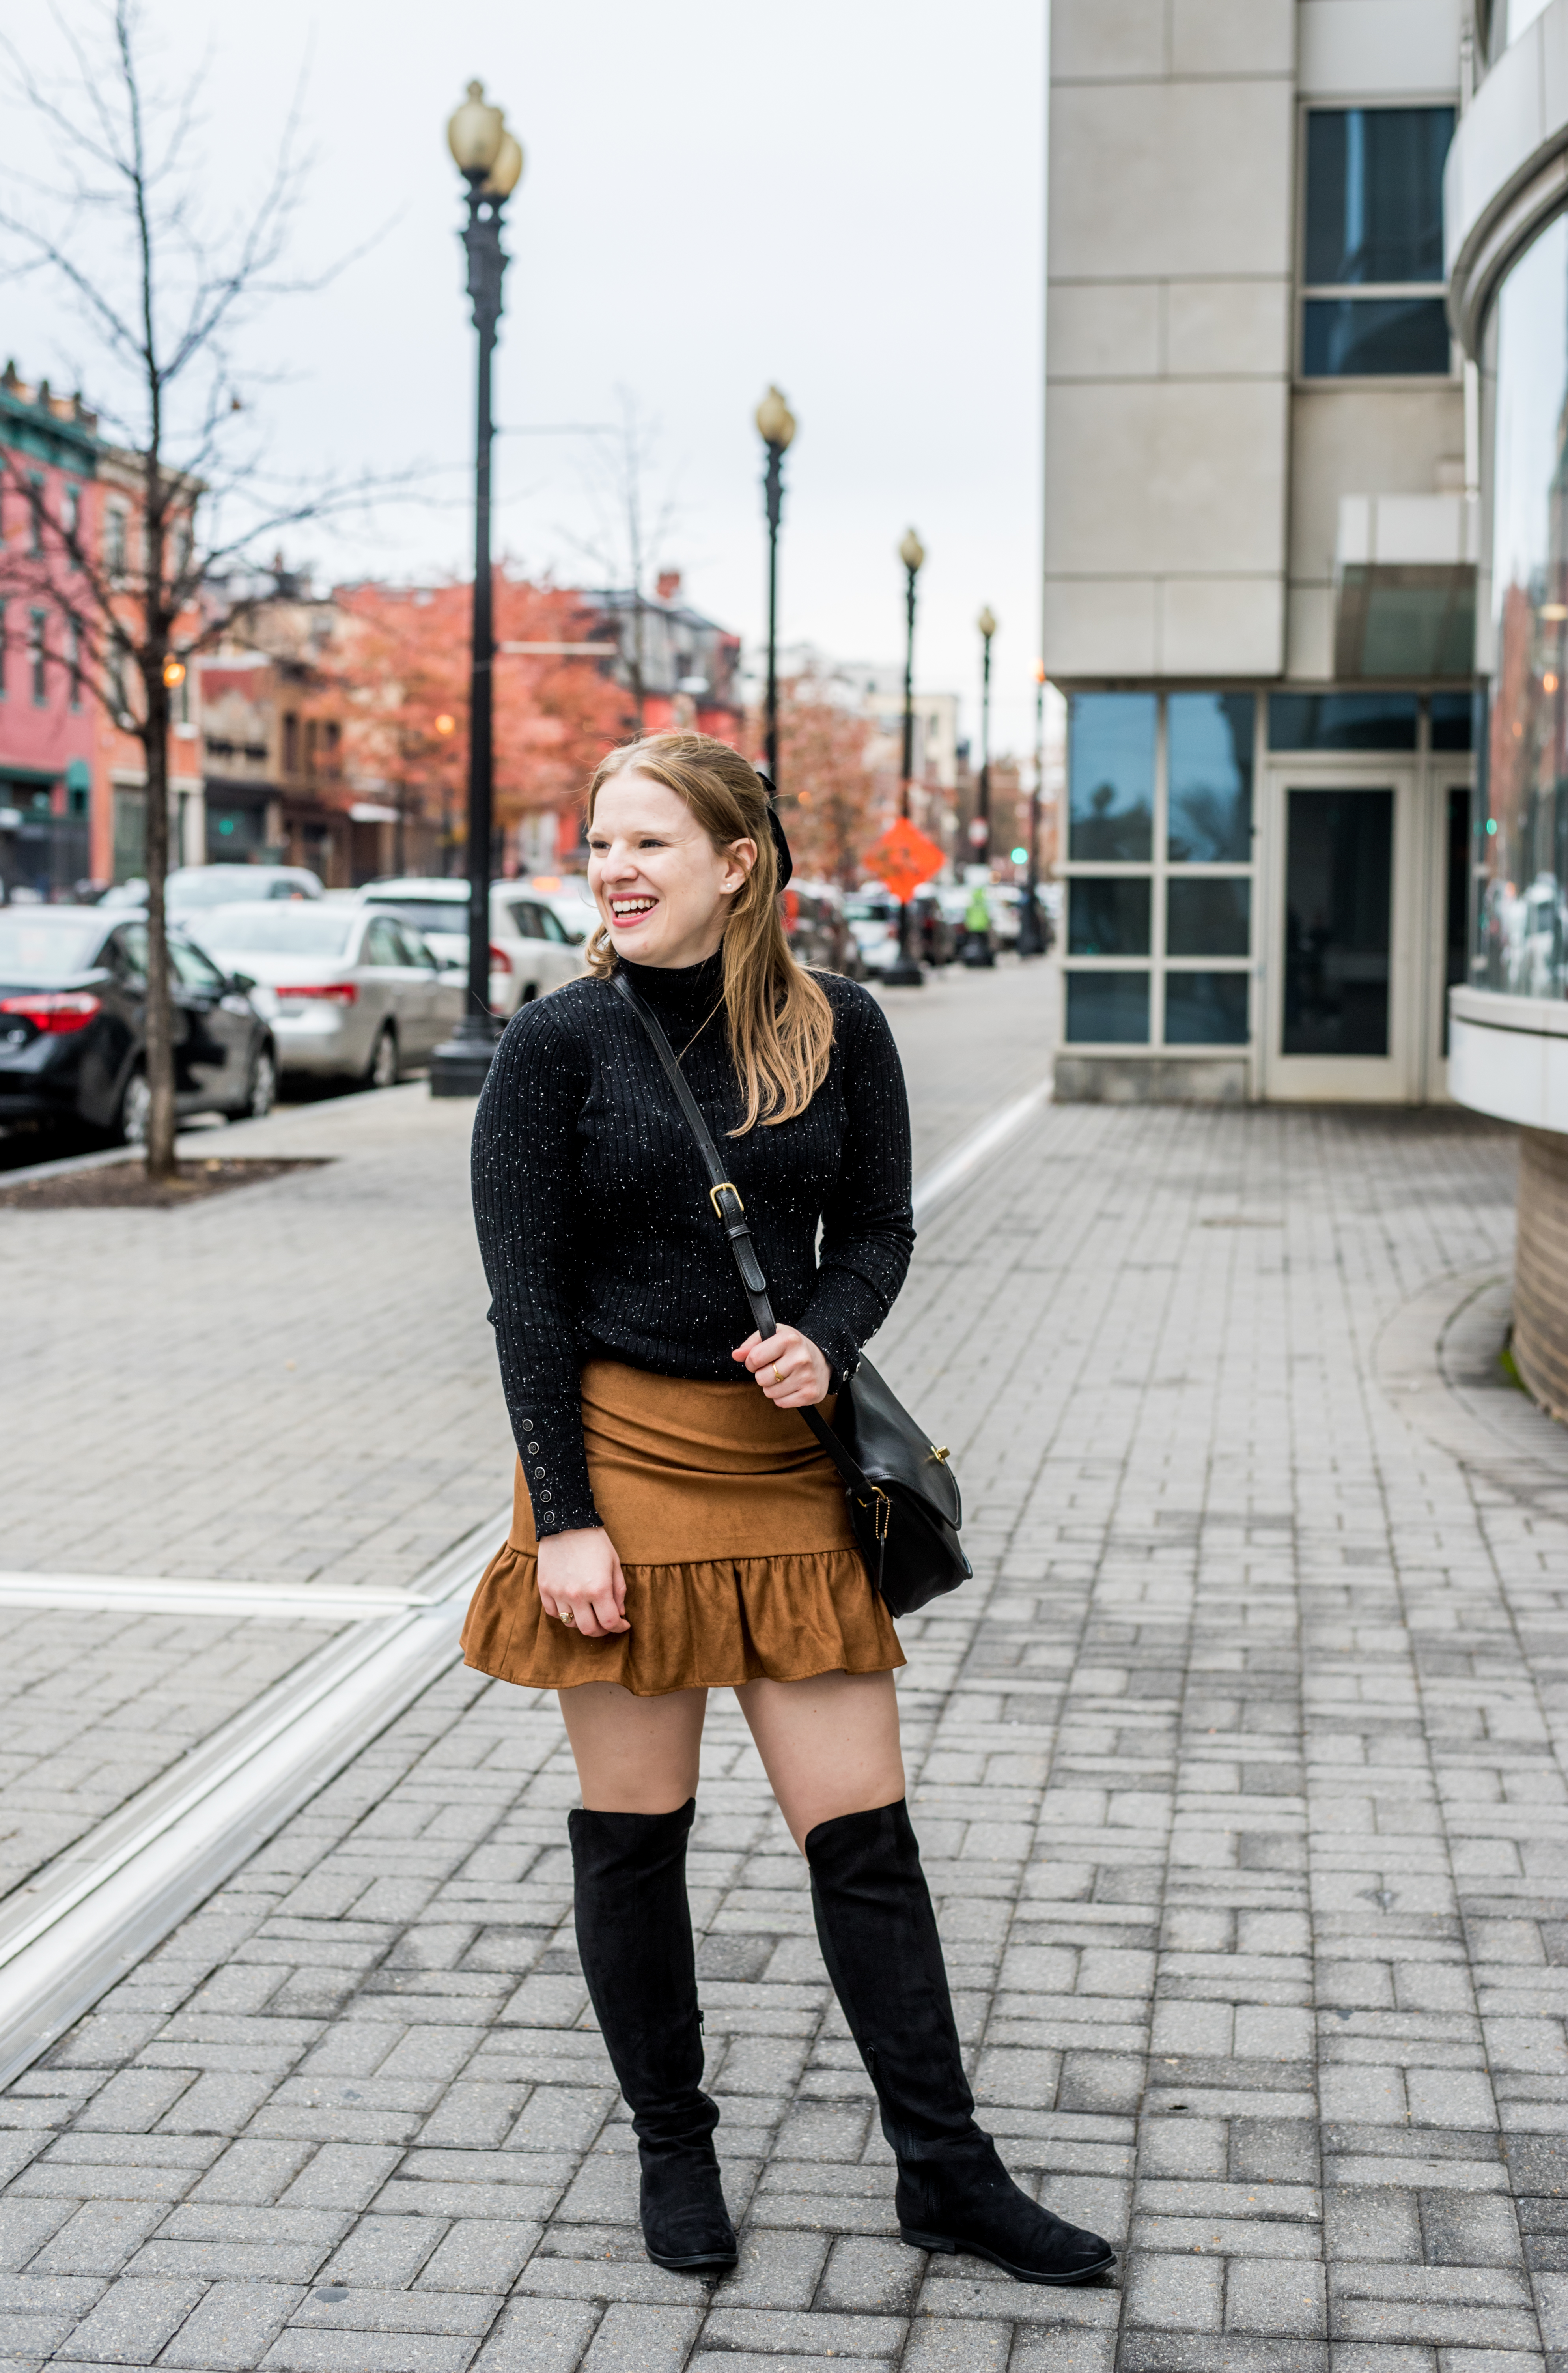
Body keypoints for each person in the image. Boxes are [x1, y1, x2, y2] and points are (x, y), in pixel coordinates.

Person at [462, 732, 1112, 2289]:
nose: (613, 870)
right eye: (601, 843)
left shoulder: (841, 1027)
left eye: (650, 844)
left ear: (736, 863)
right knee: (637, 1835)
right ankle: (672, 2151)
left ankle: (945, 2175)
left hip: (782, 1471)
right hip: (615, 1468)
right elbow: (525, 1306)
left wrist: (824, 1330)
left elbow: (880, 1226)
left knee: (865, 1840)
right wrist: (564, 1519)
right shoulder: (556, 1045)